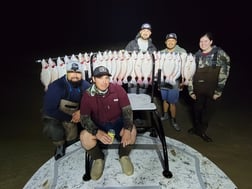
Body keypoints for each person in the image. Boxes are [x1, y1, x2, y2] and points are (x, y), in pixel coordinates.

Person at [79, 66, 137, 180]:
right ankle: (98, 159)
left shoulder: (118, 89)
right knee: (84, 137)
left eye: (106, 78)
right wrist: (96, 132)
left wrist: (127, 129)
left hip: (117, 122)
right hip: (99, 124)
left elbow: (127, 111)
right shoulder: (88, 94)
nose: (104, 81)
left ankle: (124, 156)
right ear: (93, 79)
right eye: (100, 78)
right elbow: (84, 118)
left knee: (132, 131)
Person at [42, 60, 91, 160]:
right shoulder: (56, 86)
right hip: (55, 114)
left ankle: (72, 143)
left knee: (72, 138)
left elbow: (95, 98)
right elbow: (49, 109)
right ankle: (59, 146)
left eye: (78, 72)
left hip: (75, 113)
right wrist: (71, 118)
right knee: (51, 126)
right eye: (71, 72)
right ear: (66, 72)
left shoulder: (85, 85)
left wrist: (82, 111)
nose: (75, 75)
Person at [187, 32, 231, 142]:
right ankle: (196, 128)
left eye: (206, 41)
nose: (203, 43)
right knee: (197, 110)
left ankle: (202, 131)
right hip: (198, 89)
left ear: (211, 42)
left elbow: (224, 73)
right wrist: (191, 90)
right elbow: (189, 74)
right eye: (201, 41)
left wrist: (219, 91)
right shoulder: (195, 56)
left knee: (207, 112)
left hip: (213, 90)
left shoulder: (220, 54)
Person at [125, 22, 157, 125]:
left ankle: (139, 117)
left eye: (148, 31)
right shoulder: (132, 44)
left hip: (145, 76)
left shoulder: (153, 47)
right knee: (132, 97)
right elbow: (125, 58)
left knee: (142, 98)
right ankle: (131, 118)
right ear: (140, 31)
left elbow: (155, 63)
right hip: (133, 76)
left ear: (150, 33)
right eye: (144, 30)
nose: (146, 32)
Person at [160, 33, 187, 131]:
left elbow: (186, 67)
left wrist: (183, 79)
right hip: (163, 80)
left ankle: (174, 120)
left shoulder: (182, 52)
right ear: (165, 42)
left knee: (172, 102)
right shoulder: (161, 52)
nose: (170, 42)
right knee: (164, 99)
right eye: (168, 41)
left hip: (175, 81)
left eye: (173, 41)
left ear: (176, 42)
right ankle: (165, 115)